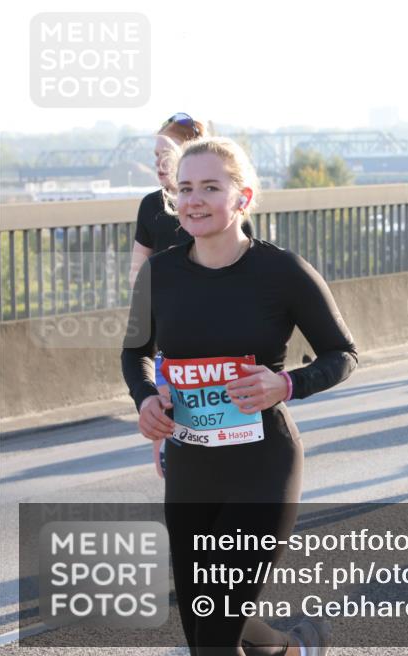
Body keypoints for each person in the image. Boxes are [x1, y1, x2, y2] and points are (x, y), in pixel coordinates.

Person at [122, 137, 358, 656]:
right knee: (208, 614)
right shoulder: (159, 274)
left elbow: (343, 354)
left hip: (262, 468)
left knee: (212, 648)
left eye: (210, 187)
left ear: (243, 197)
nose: (194, 200)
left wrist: (287, 385)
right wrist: (144, 400)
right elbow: (133, 353)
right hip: (191, 468)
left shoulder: (282, 272)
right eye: (185, 188)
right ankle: (300, 652)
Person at [129, 113, 255, 479]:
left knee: (218, 436)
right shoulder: (151, 205)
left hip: (219, 341)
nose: (157, 163)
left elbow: (246, 268)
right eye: (154, 155)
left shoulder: (225, 209)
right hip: (171, 336)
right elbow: (138, 270)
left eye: (163, 154)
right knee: (168, 428)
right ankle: (174, 474)